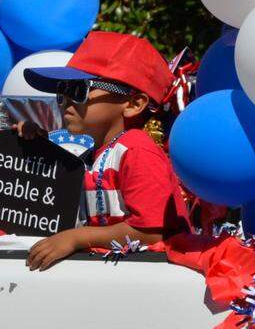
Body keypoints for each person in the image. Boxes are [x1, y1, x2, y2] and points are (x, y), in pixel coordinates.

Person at [17, 31, 189, 271]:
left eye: (78, 90)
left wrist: (76, 238)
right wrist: (32, 145)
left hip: (151, 279)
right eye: (62, 91)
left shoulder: (137, 150)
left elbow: (151, 233)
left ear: (133, 104)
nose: (66, 100)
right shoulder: (98, 152)